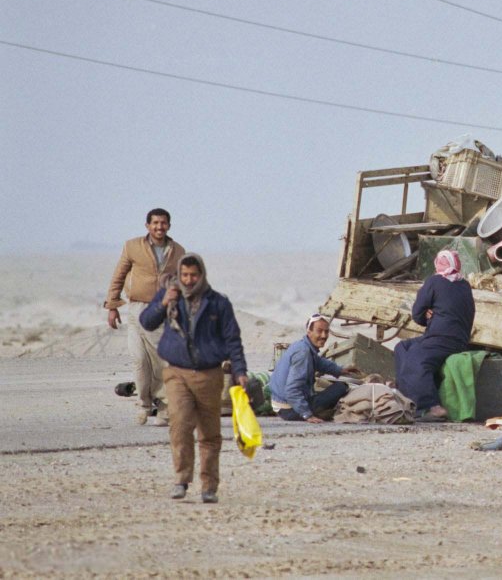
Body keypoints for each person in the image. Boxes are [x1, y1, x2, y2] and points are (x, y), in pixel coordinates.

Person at [140, 253, 247, 504]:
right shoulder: (169, 295)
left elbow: (233, 339)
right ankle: (181, 479)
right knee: (180, 425)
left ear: (202, 275)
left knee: (209, 434)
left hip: (209, 374)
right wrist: (162, 303)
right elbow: (146, 321)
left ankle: (209, 486)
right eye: (184, 275)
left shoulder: (218, 303)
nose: (188, 280)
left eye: (194, 275)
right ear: (179, 274)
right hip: (176, 372)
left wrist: (240, 371)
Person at [104, 208, 186, 426]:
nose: (159, 227)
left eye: (163, 223)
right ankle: (144, 403)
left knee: (160, 361)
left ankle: (164, 406)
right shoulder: (132, 246)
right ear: (147, 225)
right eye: (155, 223)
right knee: (139, 359)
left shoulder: (178, 251)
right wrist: (112, 306)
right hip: (135, 308)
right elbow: (119, 275)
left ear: (169, 225)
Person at [394, 250, 475, 422]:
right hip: (459, 340)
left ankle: (432, 406)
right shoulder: (465, 285)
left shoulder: (434, 281)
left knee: (415, 360)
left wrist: (426, 316)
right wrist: (432, 315)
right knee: (402, 347)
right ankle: (406, 399)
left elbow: (417, 313)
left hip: (440, 338)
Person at [269, 314, 350, 423]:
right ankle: (316, 411)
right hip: (288, 409)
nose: (324, 335)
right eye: (319, 331)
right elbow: (292, 390)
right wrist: (307, 415)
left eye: (326, 332)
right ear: (309, 332)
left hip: (280, 403)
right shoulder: (303, 353)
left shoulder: (302, 345)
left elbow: (319, 362)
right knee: (341, 387)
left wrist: (340, 370)